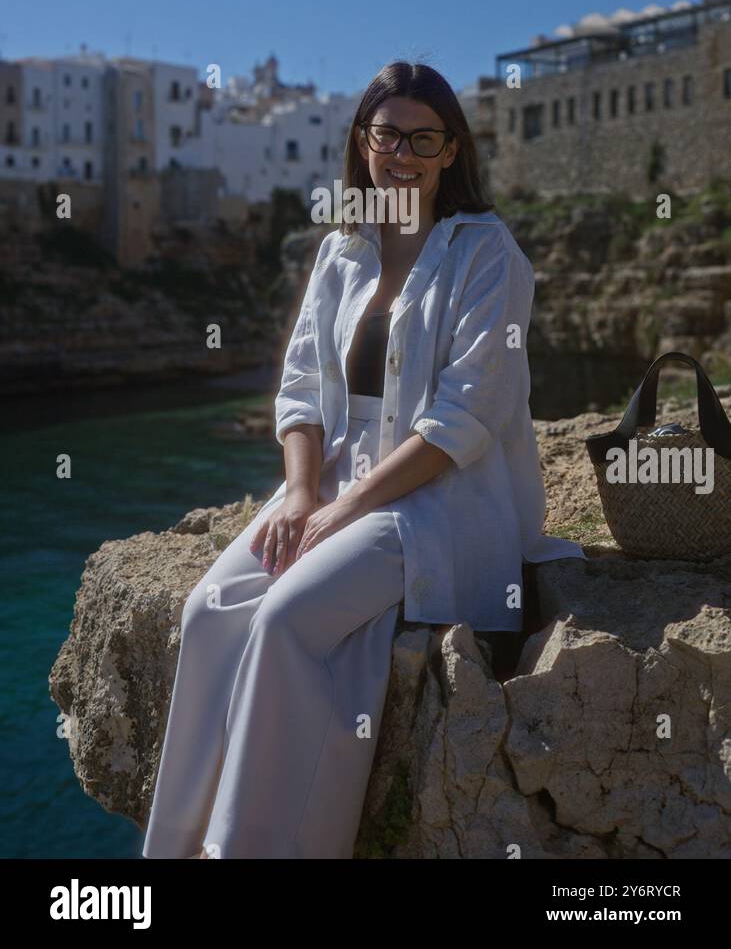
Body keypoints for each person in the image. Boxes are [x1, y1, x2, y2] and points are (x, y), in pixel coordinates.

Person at [141, 60, 585, 860]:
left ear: (451, 150)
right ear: (363, 142)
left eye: (423, 138)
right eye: (388, 135)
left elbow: (465, 416)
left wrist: (347, 510)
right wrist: (302, 493)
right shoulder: (342, 247)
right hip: (337, 476)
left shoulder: (487, 253)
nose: (403, 154)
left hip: (439, 496)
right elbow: (302, 384)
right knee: (209, 610)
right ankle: (171, 851)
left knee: (284, 619)